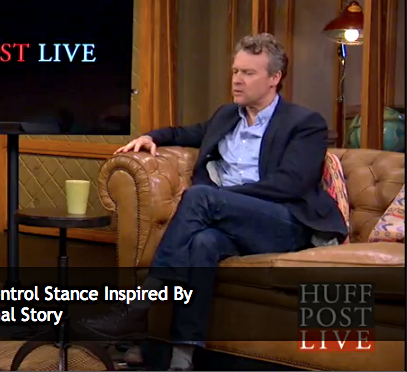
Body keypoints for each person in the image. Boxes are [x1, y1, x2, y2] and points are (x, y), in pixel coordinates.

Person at [74, 33, 348, 371]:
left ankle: (137, 307)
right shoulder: (227, 116)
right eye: (235, 71)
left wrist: (222, 199)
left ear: (274, 78)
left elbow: (290, 185)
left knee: (201, 197)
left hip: (282, 223)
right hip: (229, 224)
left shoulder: (304, 123)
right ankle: (182, 358)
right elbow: (184, 133)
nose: (237, 79)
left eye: (248, 73)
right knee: (203, 242)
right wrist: (150, 137)